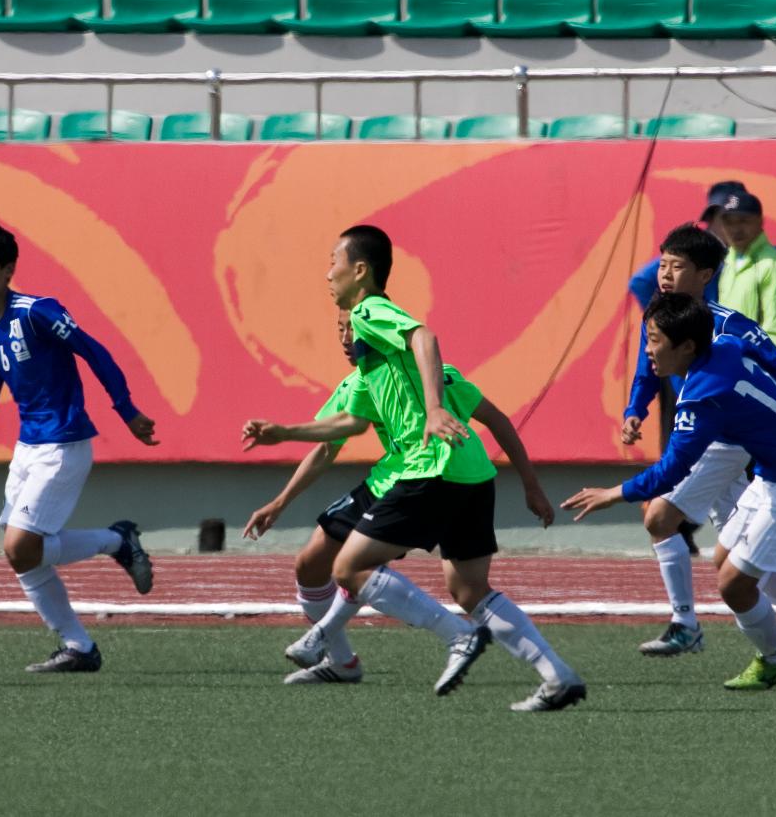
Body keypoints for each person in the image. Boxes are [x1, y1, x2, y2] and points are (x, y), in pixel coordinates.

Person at [244, 225, 584, 710]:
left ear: (359, 272)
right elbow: (349, 423)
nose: (327, 273)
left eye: (333, 261)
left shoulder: (368, 310)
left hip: (430, 467)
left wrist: (433, 409)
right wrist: (283, 432)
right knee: (469, 587)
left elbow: (424, 335)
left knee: (349, 565)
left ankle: (456, 637)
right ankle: (558, 676)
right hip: (471, 473)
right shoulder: (371, 366)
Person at [564, 294, 776, 689]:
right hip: (773, 475)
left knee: (733, 584)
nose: (647, 349)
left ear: (687, 346)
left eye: (653, 339)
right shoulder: (727, 343)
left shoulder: (701, 397)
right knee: (728, 557)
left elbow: (671, 472)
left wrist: (613, 493)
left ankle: (774, 660)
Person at [623, 224, 776, 657]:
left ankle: (685, 625)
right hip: (711, 436)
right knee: (740, 548)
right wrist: (633, 412)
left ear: (706, 274)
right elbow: (646, 369)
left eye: (677, 267)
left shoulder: (731, 327)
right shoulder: (662, 316)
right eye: (663, 264)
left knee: (659, 518)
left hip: (726, 441)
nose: (664, 274)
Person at [0, 218, 158, 675]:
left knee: (21, 547)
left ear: (9, 268)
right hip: (27, 448)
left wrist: (126, 409)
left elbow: (94, 350)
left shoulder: (38, 311)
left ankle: (116, 542)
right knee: (22, 552)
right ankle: (79, 645)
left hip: (65, 443)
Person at [627, 180, 776, 310]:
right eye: (725, 218)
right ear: (711, 219)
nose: (732, 227)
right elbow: (640, 282)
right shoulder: (693, 250)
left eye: (739, 219)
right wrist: (674, 320)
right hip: (688, 360)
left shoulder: (746, 255)